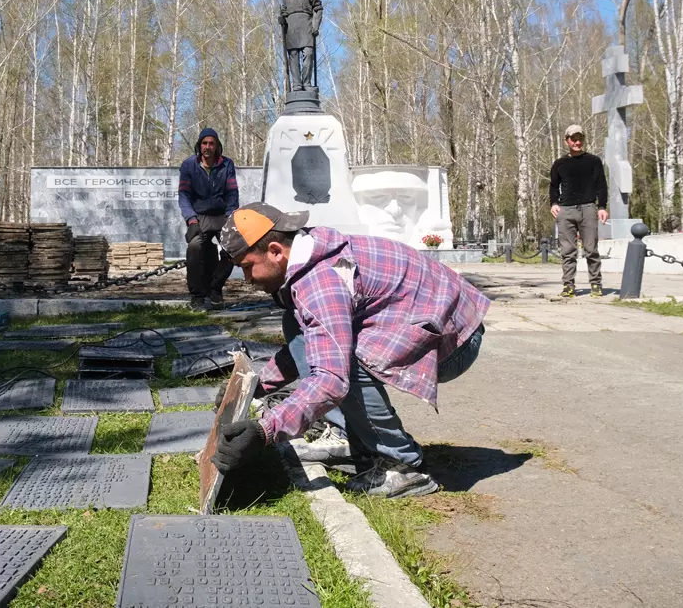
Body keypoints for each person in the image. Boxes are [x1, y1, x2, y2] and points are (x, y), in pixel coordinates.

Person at [211, 203, 489, 498]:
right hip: (435, 320)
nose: (248, 280)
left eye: (246, 267)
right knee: (298, 324)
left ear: (276, 251)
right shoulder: (310, 253)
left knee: (345, 361)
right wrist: (256, 385)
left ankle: (401, 466)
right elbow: (309, 339)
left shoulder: (319, 281)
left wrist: (265, 430)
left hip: (456, 340)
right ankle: (350, 437)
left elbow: (331, 380)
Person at [178, 127, 239, 310]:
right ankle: (197, 296)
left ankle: (215, 289)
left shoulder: (227, 165)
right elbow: (184, 196)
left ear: (217, 146)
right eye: (204, 143)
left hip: (221, 215)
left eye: (211, 143)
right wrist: (191, 220)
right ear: (199, 145)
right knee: (195, 247)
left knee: (234, 249)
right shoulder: (189, 165)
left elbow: (232, 193)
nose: (208, 147)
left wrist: (230, 216)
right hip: (199, 217)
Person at [549, 124, 609, 298]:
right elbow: (553, 186)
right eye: (573, 139)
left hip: (588, 209)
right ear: (566, 141)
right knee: (567, 251)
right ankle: (568, 286)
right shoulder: (559, 164)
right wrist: (554, 203)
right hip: (566, 211)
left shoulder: (593, 161)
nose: (577, 142)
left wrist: (602, 207)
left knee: (591, 249)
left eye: (580, 138)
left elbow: (601, 185)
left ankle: (596, 284)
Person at [278, 0, 323, 91]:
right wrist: (282, 19)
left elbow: (318, 8)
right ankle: (297, 84)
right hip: (291, 28)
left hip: (306, 26)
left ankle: (306, 82)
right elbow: (283, 15)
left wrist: (315, 25)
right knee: (293, 55)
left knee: (308, 53)